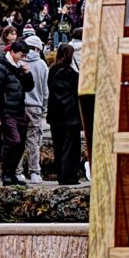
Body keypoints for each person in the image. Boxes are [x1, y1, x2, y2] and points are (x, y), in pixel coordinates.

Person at [0, 43, 32, 184]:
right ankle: (6, 172)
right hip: (6, 112)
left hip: (19, 110)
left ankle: (12, 172)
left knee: (20, 145)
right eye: (21, 54)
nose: (22, 58)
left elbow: (29, 87)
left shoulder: (18, 68)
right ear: (13, 52)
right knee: (13, 141)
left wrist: (27, 73)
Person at [47, 33, 84, 186]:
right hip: (71, 116)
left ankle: (61, 174)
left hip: (55, 115)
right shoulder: (73, 75)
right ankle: (70, 176)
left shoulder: (52, 71)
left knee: (58, 146)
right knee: (71, 148)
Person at [19, 37, 50, 183]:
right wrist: (44, 106)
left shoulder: (19, 62)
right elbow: (45, 89)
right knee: (34, 141)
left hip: (18, 106)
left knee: (17, 140)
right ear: (38, 48)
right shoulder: (42, 64)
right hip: (35, 106)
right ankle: (35, 172)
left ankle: (17, 171)